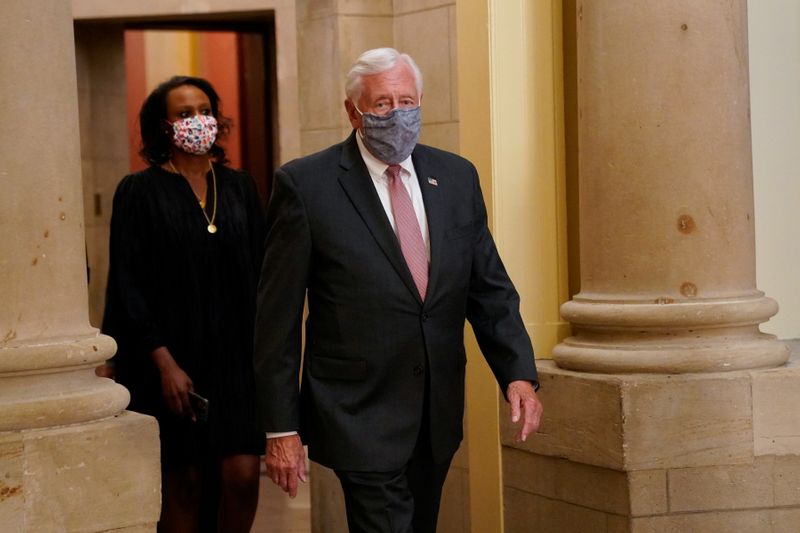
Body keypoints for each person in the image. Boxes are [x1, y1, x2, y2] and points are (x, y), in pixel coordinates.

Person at [254, 48, 543, 533]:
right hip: (357, 411)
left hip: (436, 410)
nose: (397, 114)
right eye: (383, 103)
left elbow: (489, 288)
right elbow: (276, 318)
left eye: (406, 101)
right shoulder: (306, 185)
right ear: (354, 111)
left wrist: (518, 373)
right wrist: (281, 427)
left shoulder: (455, 177)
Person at [103, 76, 265, 533]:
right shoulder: (138, 192)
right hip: (170, 363)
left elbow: (263, 275)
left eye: (204, 109)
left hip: (236, 362)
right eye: (184, 113)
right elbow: (127, 285)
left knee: (242, 476)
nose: (198, 120)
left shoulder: (240, 188)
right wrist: (163, 362)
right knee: (185, 482)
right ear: (164, 125)